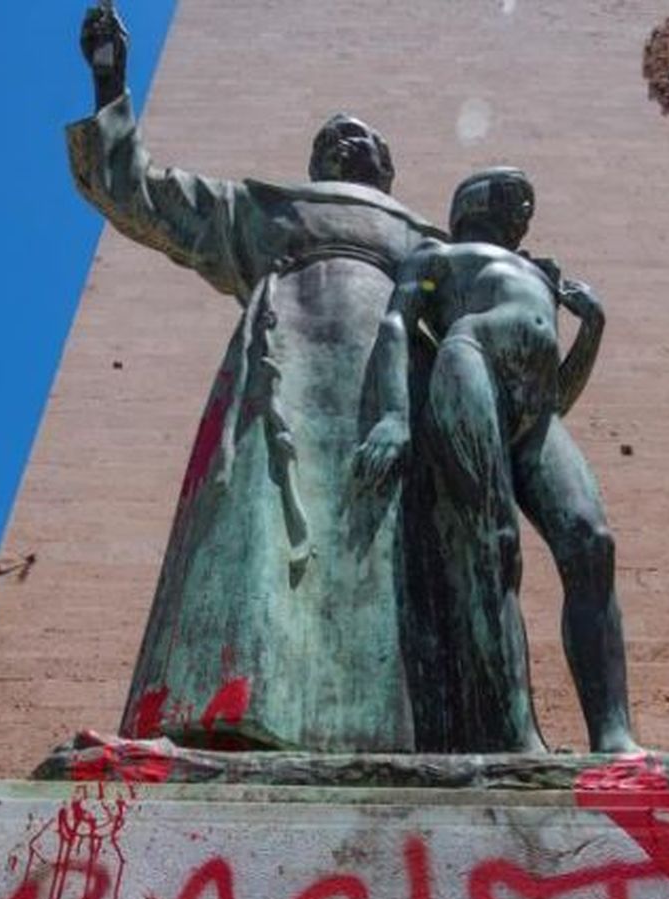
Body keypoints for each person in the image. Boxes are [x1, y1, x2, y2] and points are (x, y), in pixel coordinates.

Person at [69, 5, 443, 751]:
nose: (345, 138)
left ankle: (397, 739)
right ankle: (230, 722)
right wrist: (111, 79)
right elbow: (142, 194)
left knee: (394, 564)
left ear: (385, 164)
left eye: (360, 134)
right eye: (331, 134)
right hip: (282, 392)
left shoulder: (426, 241)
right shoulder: (262, 209)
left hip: (393, 403)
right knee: (258, 554)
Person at [354, 168, 639, 753]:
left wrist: (593, 328)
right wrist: (395, 414)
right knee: (492, 544)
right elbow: (395, 325)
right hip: (468, 363)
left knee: (592, 543)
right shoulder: (436, 254)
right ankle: (516, 736)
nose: (522, 213)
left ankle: (615, 736)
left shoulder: (539, 272)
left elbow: (556, 393)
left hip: (534, 411)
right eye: (513, 202)